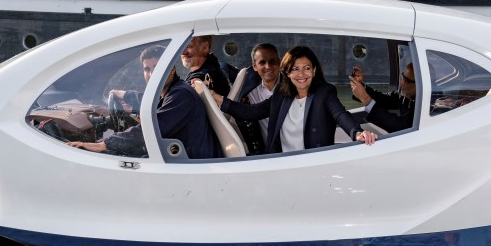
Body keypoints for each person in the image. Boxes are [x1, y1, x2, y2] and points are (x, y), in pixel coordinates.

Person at [212, 45, 377, 153]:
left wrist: (357, 133)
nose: (301, 75)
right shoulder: (281, 95)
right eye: (295, 69)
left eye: (306, 68)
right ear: (288, 73)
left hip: (313, 164)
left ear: (314, 70)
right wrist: (216, 99)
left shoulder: (324, 93)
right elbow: (252, 112)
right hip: (283, 164)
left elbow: (340, 114)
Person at [67, 46, 217, 159]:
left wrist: (103, 145)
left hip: (187, 162)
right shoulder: (172, 91)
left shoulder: (181, 95)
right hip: (179, 156)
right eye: (147, 69)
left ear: (171, 69)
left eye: (157, 68)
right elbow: (153, 101)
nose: (152, 74)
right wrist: (125, 95)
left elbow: (152, 129)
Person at [230, 43, 280, 154]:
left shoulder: (291, 86)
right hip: (266, 153)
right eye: (262, 62)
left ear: (279, 63)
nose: (268, 66)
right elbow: (225, 67)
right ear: (254, 67)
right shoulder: (249, 84)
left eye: (272, 61)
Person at [348, 63, 416, 133]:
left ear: (419, 83)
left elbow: (400, 127)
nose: (401, 82)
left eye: (406, 80)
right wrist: (361, 86)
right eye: (402, 76)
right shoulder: (406, 93)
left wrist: (366, 100)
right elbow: (385, 99)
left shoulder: (423, 105)